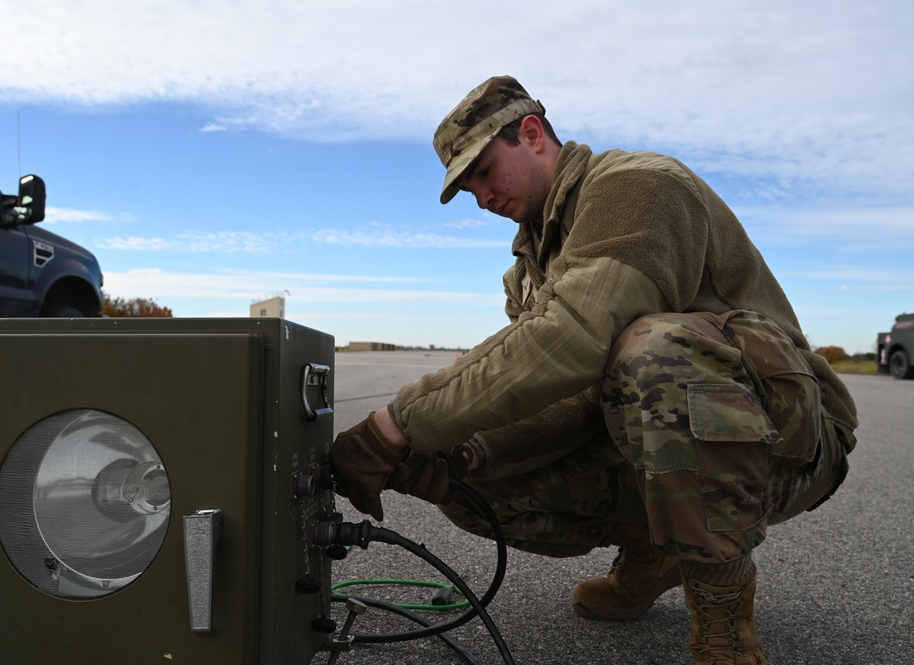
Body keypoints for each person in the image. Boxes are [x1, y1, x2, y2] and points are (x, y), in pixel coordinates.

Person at [329, 75, 857, 664]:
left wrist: (394, 425)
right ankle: (654, 551)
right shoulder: (527, 267)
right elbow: (563, 393)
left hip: (788, 440)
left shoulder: (639, 186)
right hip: (659, 439)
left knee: (651, 350)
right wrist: (467, 453)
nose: (480, 197)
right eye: (465, 187)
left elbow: (572, 336)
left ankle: (724, 631)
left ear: (531, 134)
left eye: (483, 171)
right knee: (465, 480)